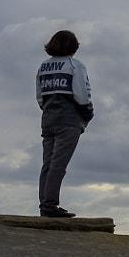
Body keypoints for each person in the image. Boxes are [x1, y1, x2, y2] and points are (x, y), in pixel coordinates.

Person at [36, 30, 94, 218]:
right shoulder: (75, 66)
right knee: (58, 165)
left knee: (48, 163)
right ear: (74, 47)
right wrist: (87, 113)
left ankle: (45, 204)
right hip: (68, 121)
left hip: (48, 120)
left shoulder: (43, 67)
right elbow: (81, 94)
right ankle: (50, 206)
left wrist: (49, 110)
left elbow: (40, 97)